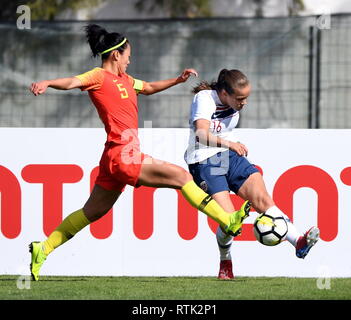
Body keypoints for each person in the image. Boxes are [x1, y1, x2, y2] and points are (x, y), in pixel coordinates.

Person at [28, 25, 251, 281]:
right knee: (181, 177)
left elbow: (149, 87)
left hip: (113, 156)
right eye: (128, 56)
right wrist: (47, 82)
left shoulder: (126, 80)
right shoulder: (98, 76)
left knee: (93, 211)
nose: (129, 60)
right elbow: (72, 82)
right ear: (116, 55)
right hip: (123, 154)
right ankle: (228, 219)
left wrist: (177, 80)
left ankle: (42, 249)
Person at [184, 69, 320, 280]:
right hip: (204, 160)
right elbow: (202, 134)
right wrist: (230, 143)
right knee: (230, 222)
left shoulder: (232, 102)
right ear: (224, 93)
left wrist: (229, 146)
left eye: (247, 97)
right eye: (240, 98)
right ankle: (225, 260)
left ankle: (298, 243)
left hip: (228, 156)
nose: (244, 103)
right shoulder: (204, 98)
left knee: (264, 200)